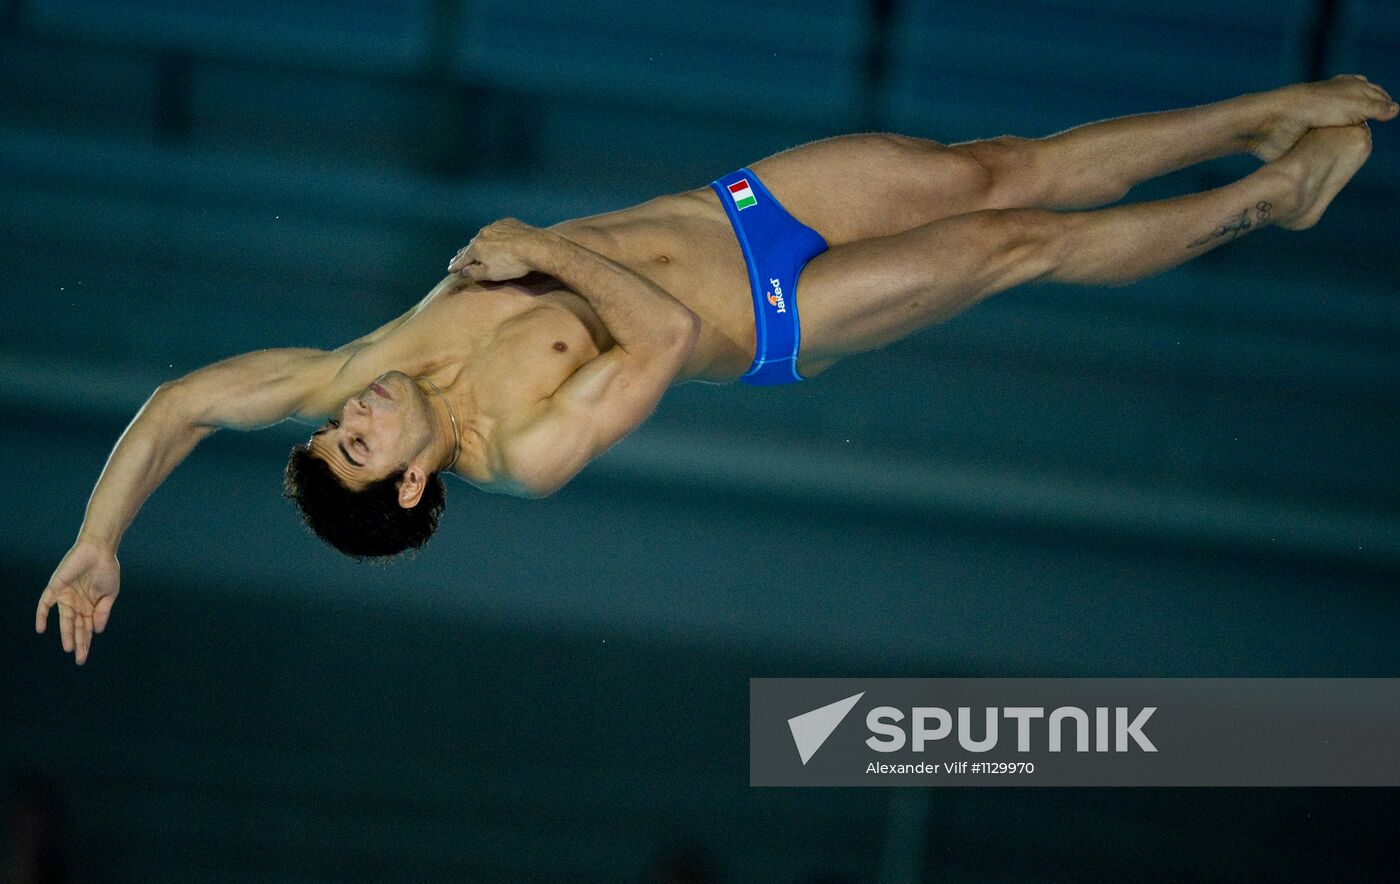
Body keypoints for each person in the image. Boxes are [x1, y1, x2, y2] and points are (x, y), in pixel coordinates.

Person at [36, 76, 1395, 663]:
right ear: (401, 492)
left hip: (736, 205)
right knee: (1020, 242)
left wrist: (101, 540)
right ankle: (1266, 200)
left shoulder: (364, 356)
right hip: (783, 310)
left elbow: (180, 405)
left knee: (1001, 163)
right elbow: (671, 341)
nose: (355, 409)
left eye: (334, 423)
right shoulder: (530, 456)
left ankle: (1263, 115)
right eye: (354, 442)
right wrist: (550, 244)